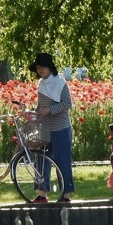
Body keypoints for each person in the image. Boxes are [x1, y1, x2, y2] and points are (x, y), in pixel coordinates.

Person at [30, 52, 74, 203]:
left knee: (63, 161)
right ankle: (42, 194)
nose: (40, 70)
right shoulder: (41, 84)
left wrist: (49, 111)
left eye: (43, 67)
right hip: (45, 129)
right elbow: (41, 105)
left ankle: (65, 195)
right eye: (38, 67)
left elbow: (67, 104)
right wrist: (35, 112)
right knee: (41, 161)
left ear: (50, 68)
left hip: (60, 128)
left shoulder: (60, 83)